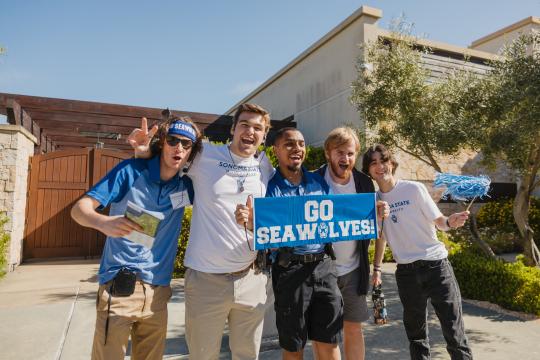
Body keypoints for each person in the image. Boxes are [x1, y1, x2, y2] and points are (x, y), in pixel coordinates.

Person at [128, 103, 274, 360]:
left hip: (252, 278)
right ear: (232, 129)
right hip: (207, 282)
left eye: (258, 128)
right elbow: (168, 161)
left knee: (247, 355)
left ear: (265, 135)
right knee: (202, 356)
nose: (250, 132)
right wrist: (144, 154)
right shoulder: (204, 154)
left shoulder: (265, 166)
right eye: (245, 125)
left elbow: (281, 212)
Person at [71, 116, 201, 360]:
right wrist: (103, 222)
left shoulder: (186, 187)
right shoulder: (130, 171)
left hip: (158, 293)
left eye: (186, 144)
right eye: (173, 140)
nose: (179, 148)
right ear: (162, 142)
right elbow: (79, 209)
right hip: (119, 288)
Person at [237, 127, 343, 360]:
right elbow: (263, 229)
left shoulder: (319, 183)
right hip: (289, 272)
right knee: (293, 346)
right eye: (289, 144)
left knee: (330, 341)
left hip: (324, 268)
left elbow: (339, 218)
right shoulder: (268, 188)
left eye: (301, 144)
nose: (297, 149)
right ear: (276, 150)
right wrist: (252, 224)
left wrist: (370, 214)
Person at [363, 144, 473, 360]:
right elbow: (381, 236)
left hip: (436, 267)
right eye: (373, 163)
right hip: (406, 273)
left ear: (391, 164)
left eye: (383, 160)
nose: (379, 166)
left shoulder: (413, 189)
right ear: (369, 170)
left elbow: (440, 221)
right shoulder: (373, 201)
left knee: (454, 332)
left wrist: (451, 221)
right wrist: (376, 269)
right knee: (416, 336)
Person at [315, 127, 388, 360]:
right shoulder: (313, 180)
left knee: (354, 328)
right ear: (328, 153)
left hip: (355, 270)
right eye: (339, 152)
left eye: (349, 153)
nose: (344, 158)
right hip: (321, 270)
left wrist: (380, 213)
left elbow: (375, 226)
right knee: (325, 333)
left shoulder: (364, 183)